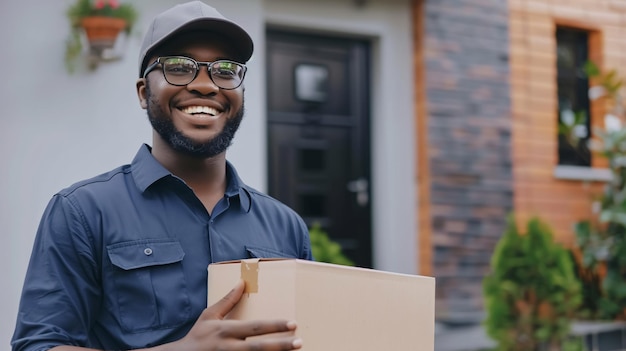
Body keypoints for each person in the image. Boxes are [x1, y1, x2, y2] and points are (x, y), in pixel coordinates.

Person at [11, 2, 312, 350]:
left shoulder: (285, 226)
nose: (205, 85)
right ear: (144, 92)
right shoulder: (82, 211)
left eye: (226, 70)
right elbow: (39, 345)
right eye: (180, 68)